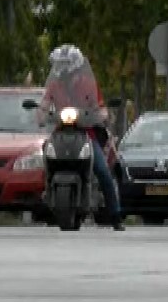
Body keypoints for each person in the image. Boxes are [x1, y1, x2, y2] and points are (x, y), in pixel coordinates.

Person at [39, 44, 124, 231]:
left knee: (102, 169)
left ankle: (115, 214)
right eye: (59, 65)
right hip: (61, 132)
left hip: (86, 132)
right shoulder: (54, 85)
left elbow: (100, 108)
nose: (61, 69)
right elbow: (45, 103)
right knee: (43, 158)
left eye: (65, 64)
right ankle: (44, 199)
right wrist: (41, 113)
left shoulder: (88, 84)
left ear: (76, 65)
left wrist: (100, 115)